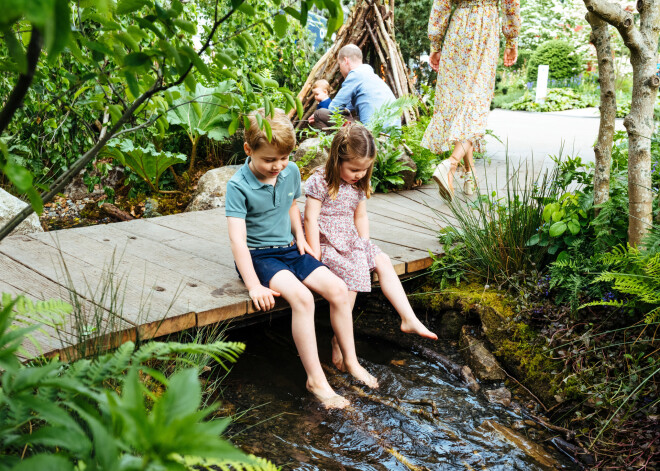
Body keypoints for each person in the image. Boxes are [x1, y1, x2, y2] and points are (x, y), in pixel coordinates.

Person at [226, 109, 378, 410]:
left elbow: (292, 206)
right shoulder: (238, 186)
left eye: (283, 158)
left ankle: (351, 360)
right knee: (303, 299)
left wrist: (304, 239)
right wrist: (255, 285)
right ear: (248, 150)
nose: (278, 166)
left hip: (291, 248)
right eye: (270, 160)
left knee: (336, 288)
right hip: (259, 257)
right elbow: (237, 240)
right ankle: (316, 380)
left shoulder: (290, 171)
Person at [304, 123, 438, 370]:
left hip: (351, 239)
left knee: (383, 260)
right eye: (354, 169)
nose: (359, 174)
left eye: (365, 170)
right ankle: (339, 341)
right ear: (337, 160)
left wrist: (364, 243)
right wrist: (314, 253)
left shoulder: (357, 184)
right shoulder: (319, 181)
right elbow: (310, 218)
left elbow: (360, 217)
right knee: (355, 272)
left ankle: (408, 318)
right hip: (326, 241)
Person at [423, 0, 520, 199]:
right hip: (486, 27)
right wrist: (511, 40)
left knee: (461, 103)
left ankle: (470, 174)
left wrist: (435, 43)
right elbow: (511, 4)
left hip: (458, 28)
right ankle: (450, 165)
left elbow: (441, 4)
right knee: (476, 103)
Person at [310, 44, 399, 130]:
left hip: (372, 133)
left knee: (319, 114)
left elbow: (334, 108)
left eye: (339, 65)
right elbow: (349, 106)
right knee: (355, 117)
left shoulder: (355, 75)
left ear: (345, 61)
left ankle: (333, 144)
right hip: (391, 133)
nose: (340, 70)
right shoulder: (369, 74)